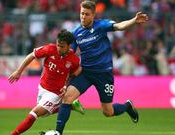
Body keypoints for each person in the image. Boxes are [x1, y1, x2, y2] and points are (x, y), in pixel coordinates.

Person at [54, 1, 149, 134]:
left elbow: (119, 26)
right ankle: (58, 132)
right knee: (67, 97)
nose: (83, 17)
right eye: (81, 13)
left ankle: (127, 106)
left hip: (104, 74)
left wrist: (134, 20)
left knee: (108, 112)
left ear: (93, 15)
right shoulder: (76, 32)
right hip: (86, 73)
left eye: (87, 14)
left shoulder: (101, 25)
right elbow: (69, 54)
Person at [9, 29, 85, 135]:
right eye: (58, 44)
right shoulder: (49, 49)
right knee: (43, 114)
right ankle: (70, 106)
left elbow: (72, 75)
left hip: (55, 93)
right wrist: (19, 71)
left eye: (62, 46)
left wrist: (65, 87)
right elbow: (32, 55)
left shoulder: (74, 60)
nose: (58, 48)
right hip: (42, 87)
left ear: (69, 46)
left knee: (34, 114)